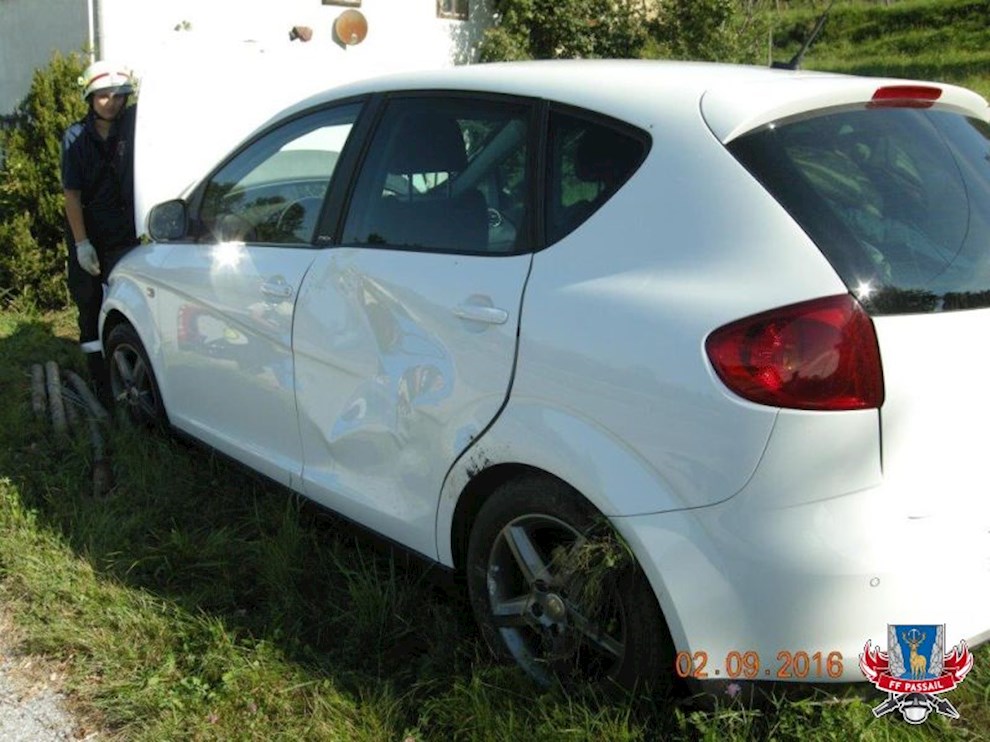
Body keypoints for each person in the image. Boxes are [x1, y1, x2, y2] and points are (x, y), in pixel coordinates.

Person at [61, 60, 139, 403]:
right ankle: (100, 383)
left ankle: (131, 371)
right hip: (89, 233)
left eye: (118, 95)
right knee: (90, 304)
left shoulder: (133, 126)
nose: (111, 102)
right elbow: (72, 196)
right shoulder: (75, 138)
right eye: (103, 95)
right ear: (90, 98)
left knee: (127, 302)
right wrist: (81, 244)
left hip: (125, 234)